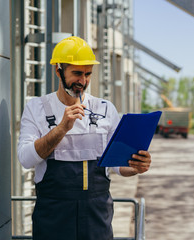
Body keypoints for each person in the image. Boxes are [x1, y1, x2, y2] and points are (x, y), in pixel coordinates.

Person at [17, 36, 151, 240]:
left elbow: (116, 165)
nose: (83, 81)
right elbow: (26, 159)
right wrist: (61, 128)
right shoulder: (37, 108)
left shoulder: (105, 109)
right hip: (53, 218)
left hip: (97, 216)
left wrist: (136, 166)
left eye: (88, 74)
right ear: (58, 70)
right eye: (77, 73)